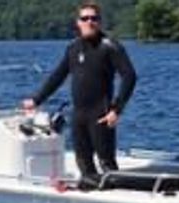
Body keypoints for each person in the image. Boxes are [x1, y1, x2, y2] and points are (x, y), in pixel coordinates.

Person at [23, 2, 137, 189]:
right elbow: (58, 76)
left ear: (100, 22)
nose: (89, 22)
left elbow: (130, 76)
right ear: (78, 22)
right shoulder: (73, 48)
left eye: (94, 18)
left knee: (107, 165)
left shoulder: (109, 46)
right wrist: (36, 100)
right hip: (79, 116)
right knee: (84, 164)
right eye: (85, 18)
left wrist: (116, 109)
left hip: (101, 115)